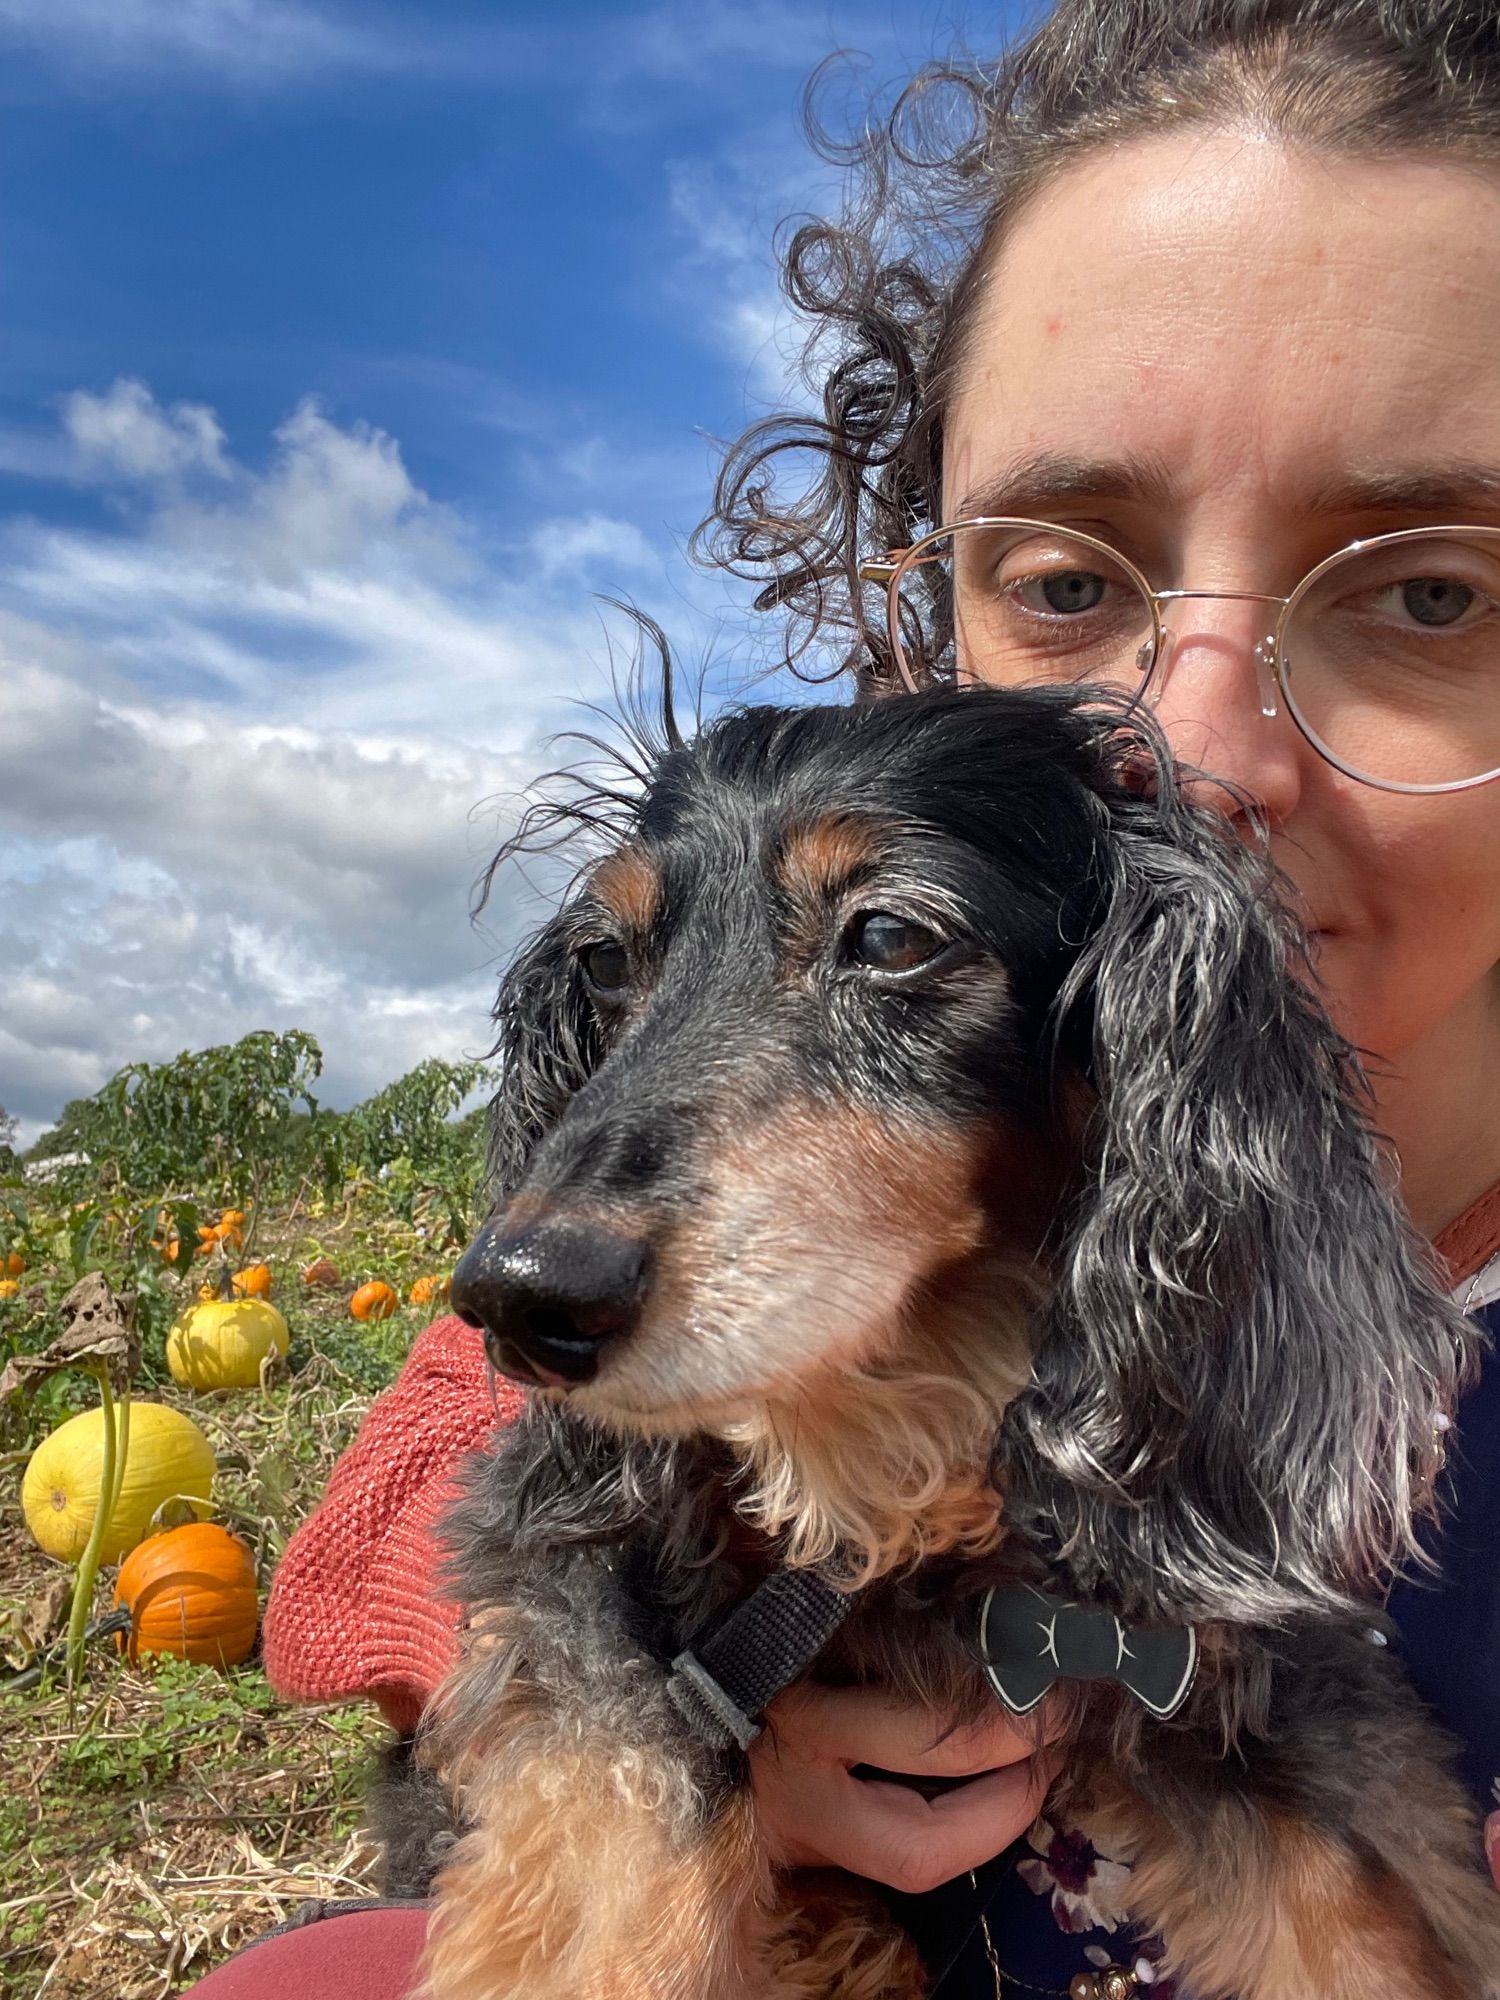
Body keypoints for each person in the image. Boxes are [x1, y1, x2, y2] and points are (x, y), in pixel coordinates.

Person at [191, 1, 1500, 1991]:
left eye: (1434, 591)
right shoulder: (898, 1111)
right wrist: (691, 1692)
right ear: (932, 615)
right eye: (1067, 584)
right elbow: (398, 1513)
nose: (1203, 747)